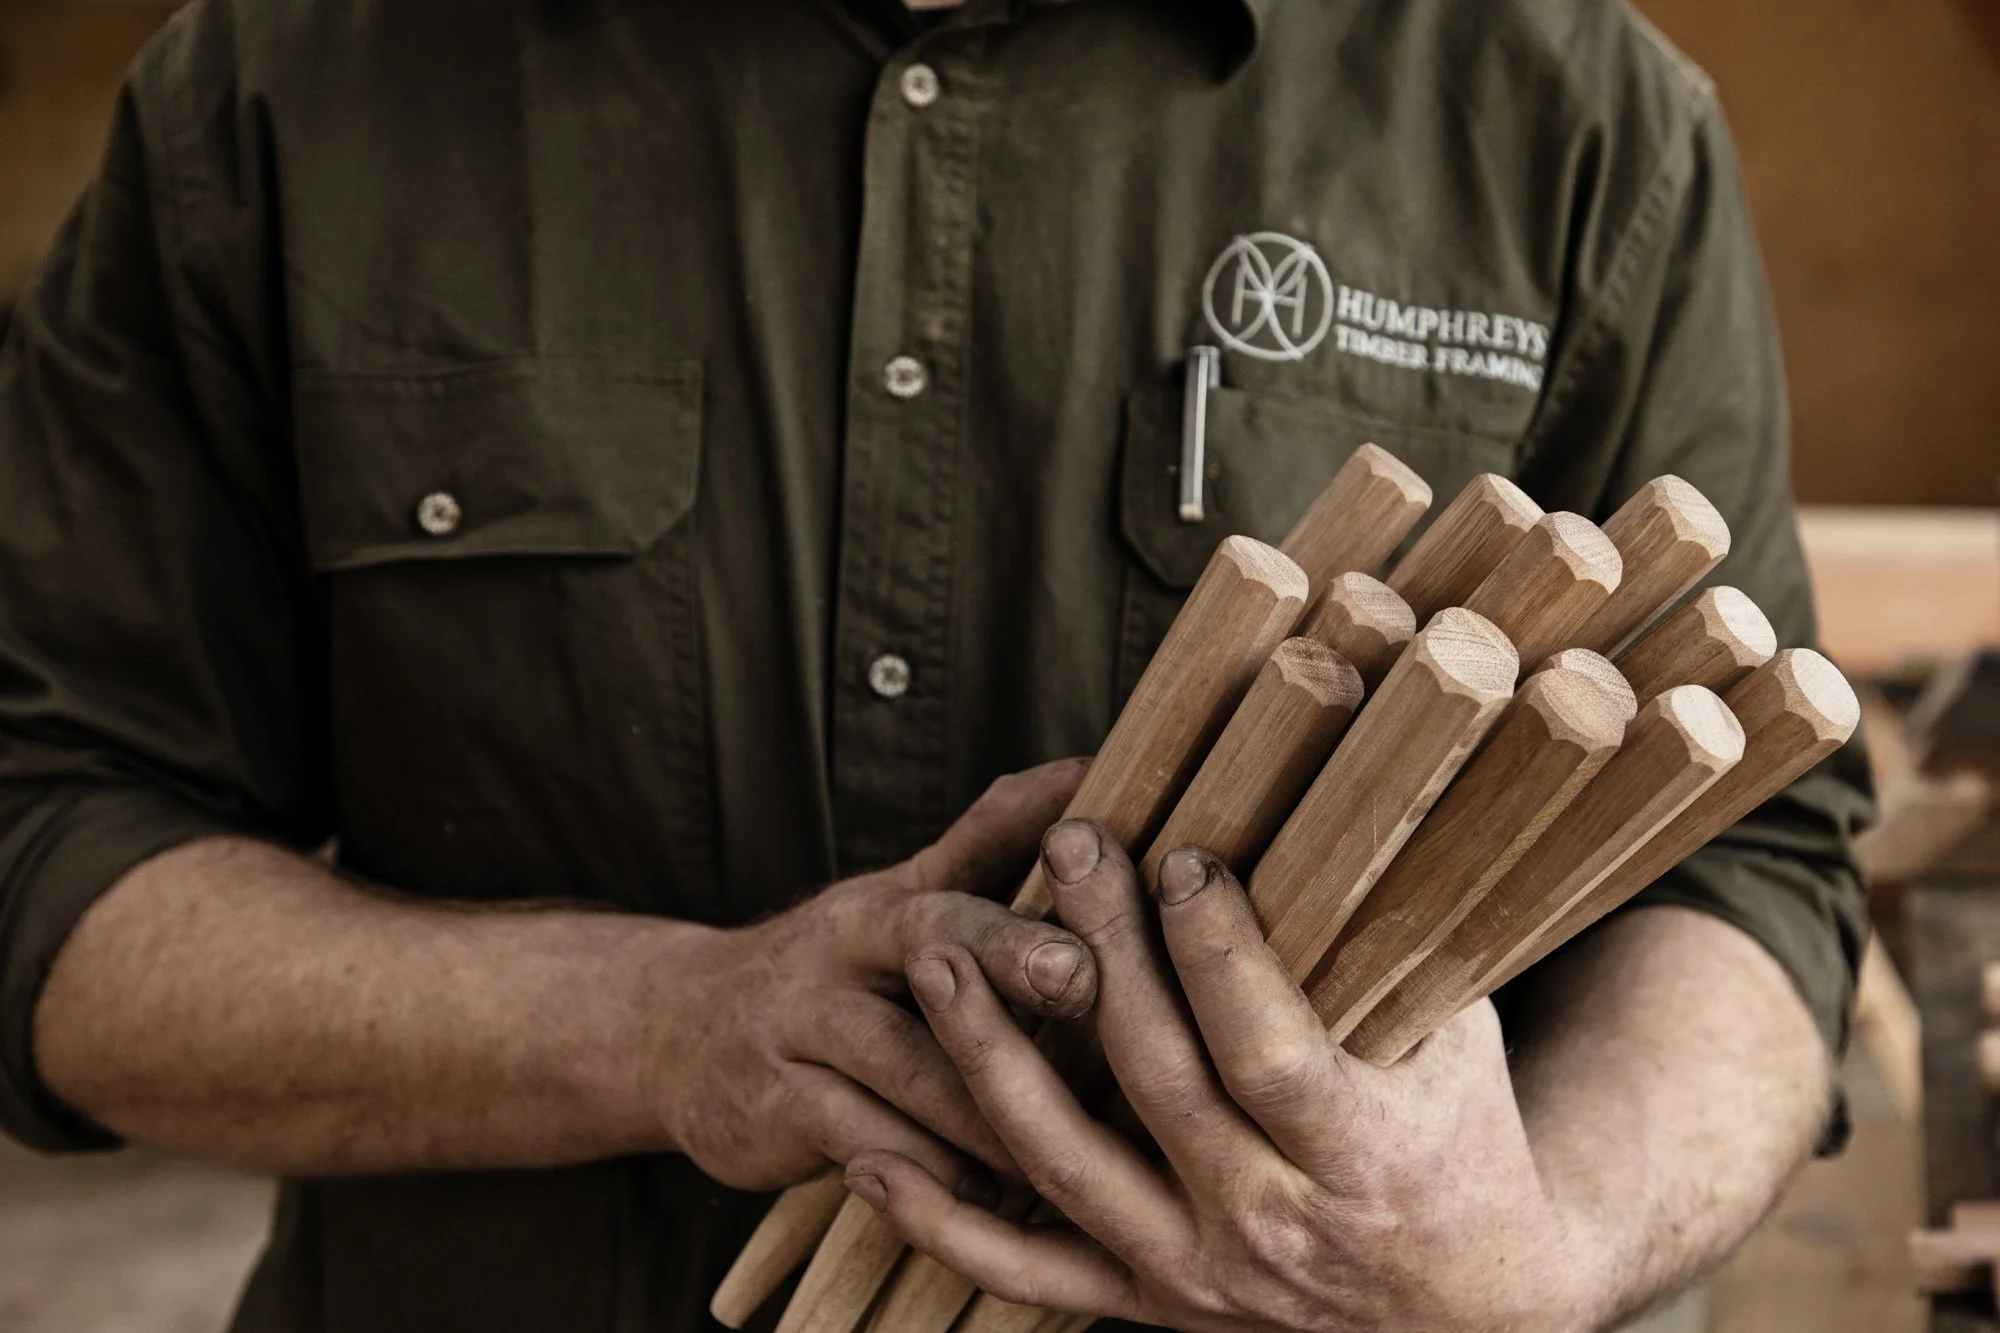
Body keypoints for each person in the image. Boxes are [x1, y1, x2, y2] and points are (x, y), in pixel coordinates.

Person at [0, 0, 1873, 1329]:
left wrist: (1530, 1254)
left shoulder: (1567, 111)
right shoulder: (289, 82)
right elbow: (49, 844)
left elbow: (1747, 874)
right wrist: (663, 1025)